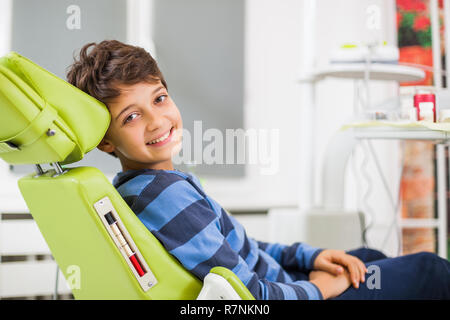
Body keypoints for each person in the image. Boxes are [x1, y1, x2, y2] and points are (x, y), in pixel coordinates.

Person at [67, 40, 450, 300]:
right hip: (285, 294)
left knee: (366, 254)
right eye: (132, 116)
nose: (157, 121)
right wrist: (317, 289)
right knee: (429, 270)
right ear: (106, 141)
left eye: (160, 99)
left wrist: (309, 257)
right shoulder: (165, 196)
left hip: (286, 282)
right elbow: (248, 296)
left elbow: (237, 245)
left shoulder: (149, 186)